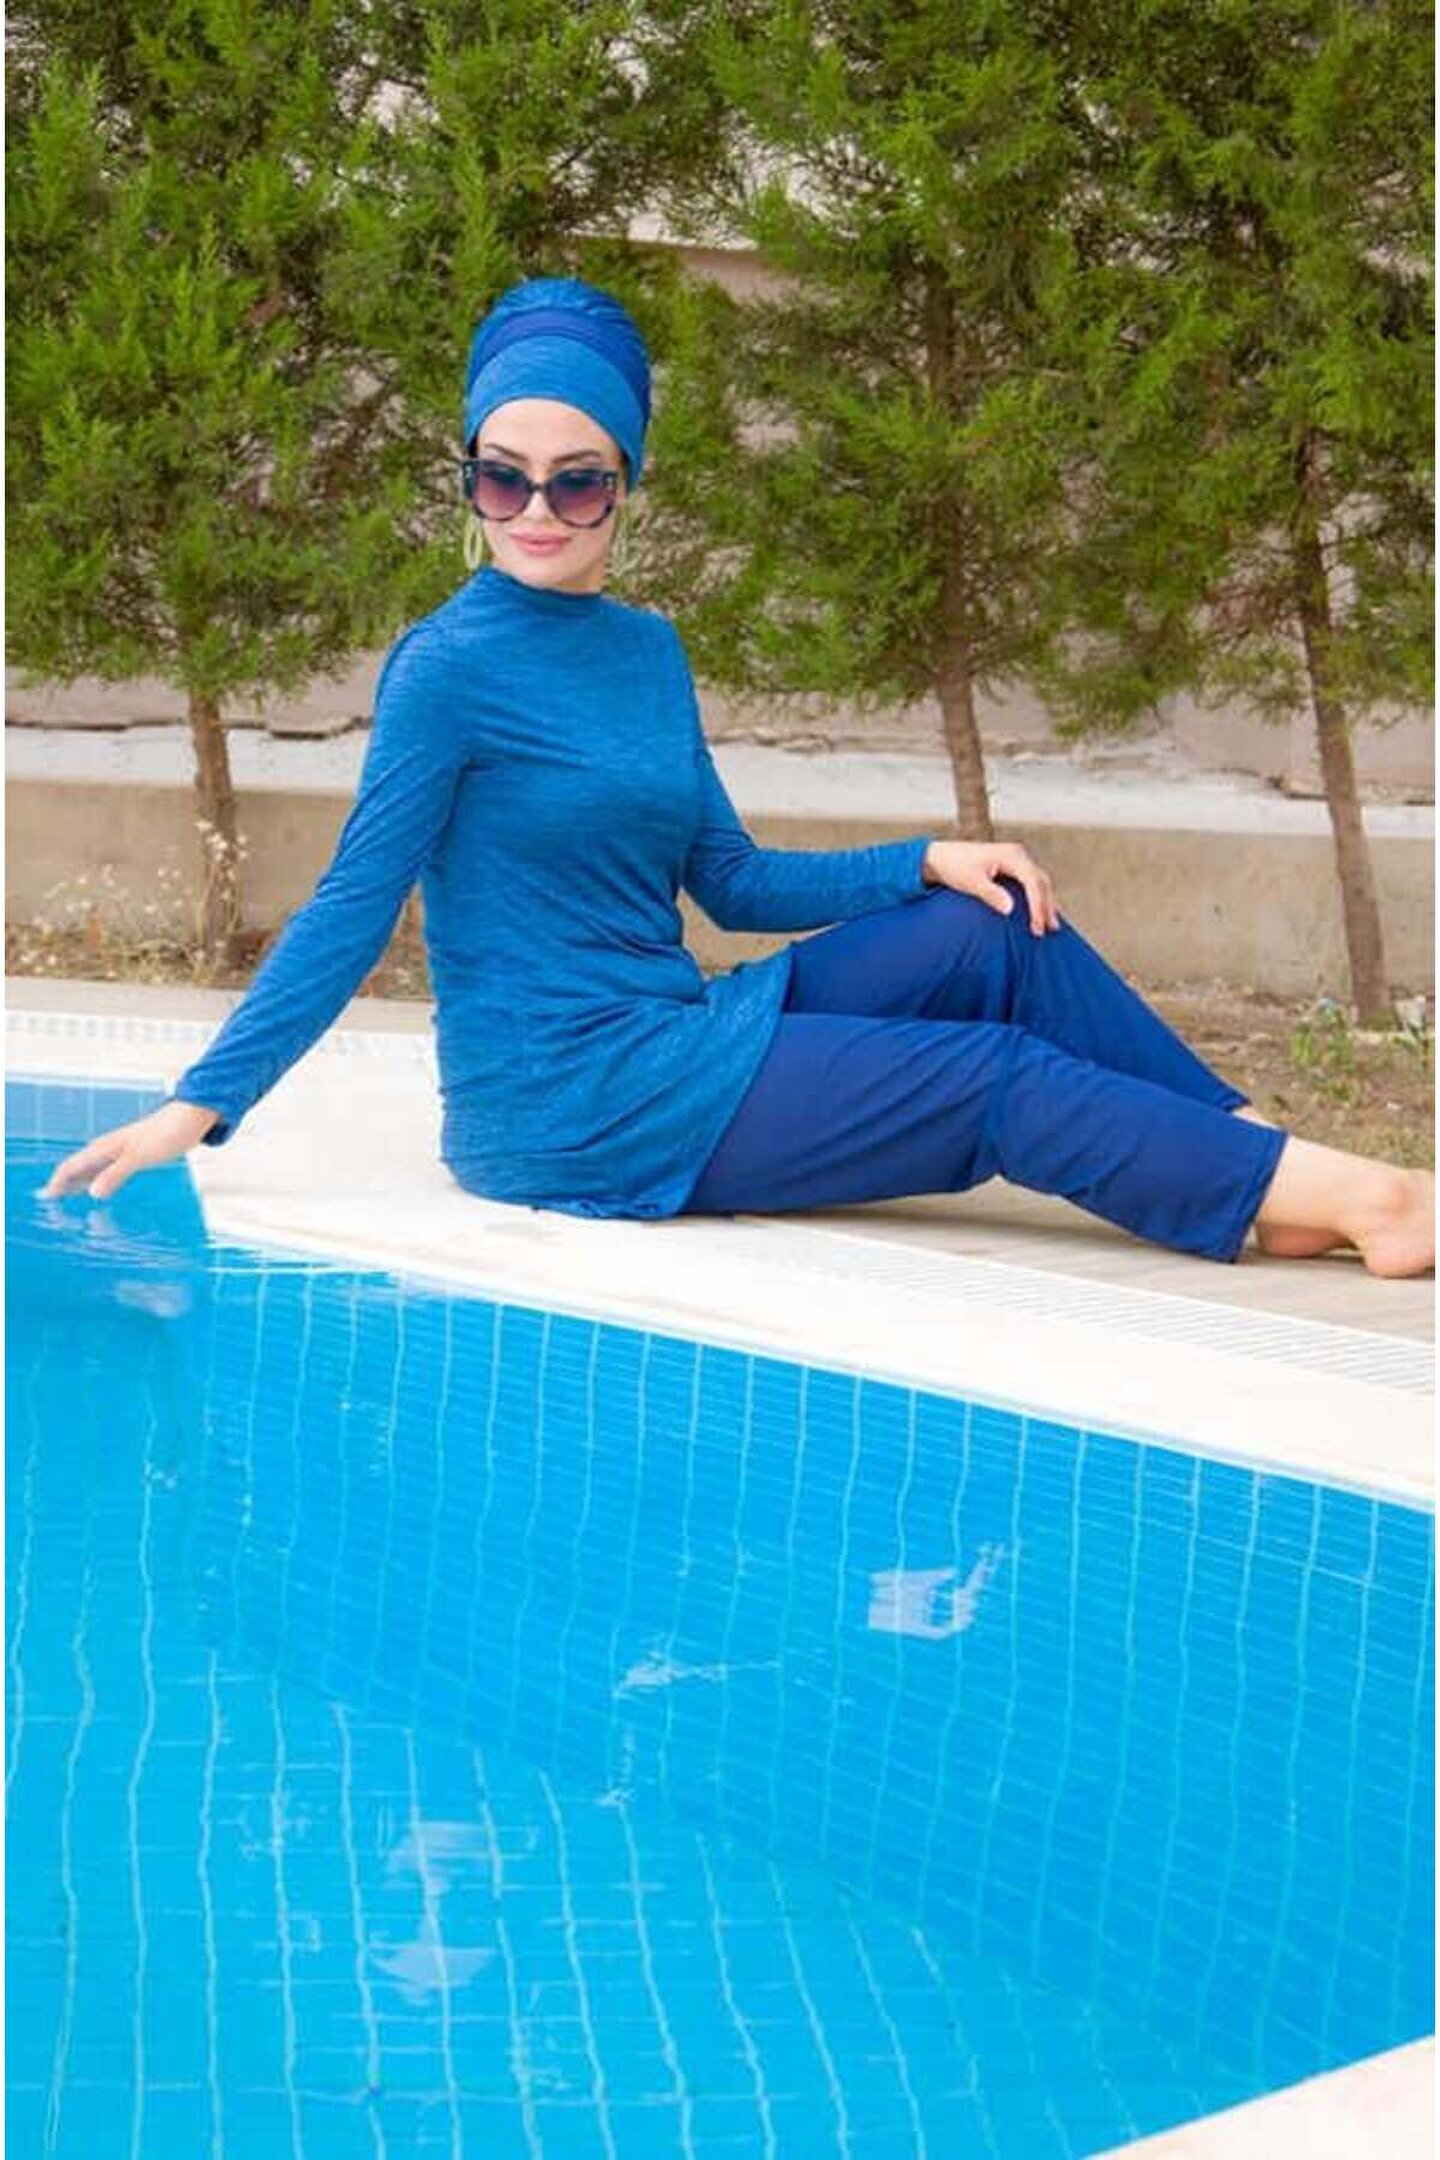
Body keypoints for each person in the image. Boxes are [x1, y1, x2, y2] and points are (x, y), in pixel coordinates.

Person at [42, 277, 1434, 1278]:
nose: (537, 512)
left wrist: (924, 859)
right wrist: (201, 1101)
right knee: (993, 1080)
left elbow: (730, 879)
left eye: (577, 481)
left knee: (991, 929)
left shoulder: (646, 652)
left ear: (625, 484)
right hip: (572, 1111)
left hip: (678, 1029)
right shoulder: (446, 669)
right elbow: (354, 906)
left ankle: (1259, 1159)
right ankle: (1367, 1201)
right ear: (470, 481)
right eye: (502, 478)